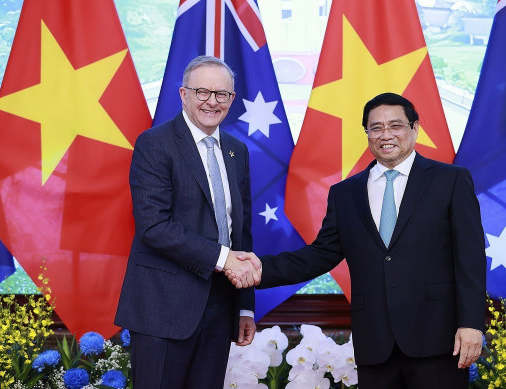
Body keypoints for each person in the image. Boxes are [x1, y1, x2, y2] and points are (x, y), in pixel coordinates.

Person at [231, 93, 486, 388]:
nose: (385, 135)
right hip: (375, 344)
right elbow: (319, 255)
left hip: (438, 340)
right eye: (375, 128)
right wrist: (257, 268)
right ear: (367, 133)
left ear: (414, 128)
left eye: (395, 126)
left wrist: (471, 324)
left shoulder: (451, 180)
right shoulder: (345, 193)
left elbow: (470, 258)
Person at [115, 55, 261, 389]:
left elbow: (242, 232)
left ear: (231, 100)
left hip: (220, 308)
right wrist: (224, 259)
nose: (212, 101)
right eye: (202, 92)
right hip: (163, 308)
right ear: (183, 95)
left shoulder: (237, 151)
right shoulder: (155, 144)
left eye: (221, 94)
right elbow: (154, 225)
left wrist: (245, 307)